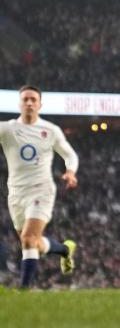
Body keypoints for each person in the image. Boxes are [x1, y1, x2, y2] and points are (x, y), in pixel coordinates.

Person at [1, 85, 79, 288]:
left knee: (28, 238)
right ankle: (64, 250)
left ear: (40, 104)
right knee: (33, 242)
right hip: (16, 194)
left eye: (33, 100)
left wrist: (70, 171)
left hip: (41, 190)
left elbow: (69, 154)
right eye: (25, 99)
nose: (29, 103)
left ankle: (24, 292)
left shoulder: (50, 130)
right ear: (19, 104)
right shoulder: (7, 129)